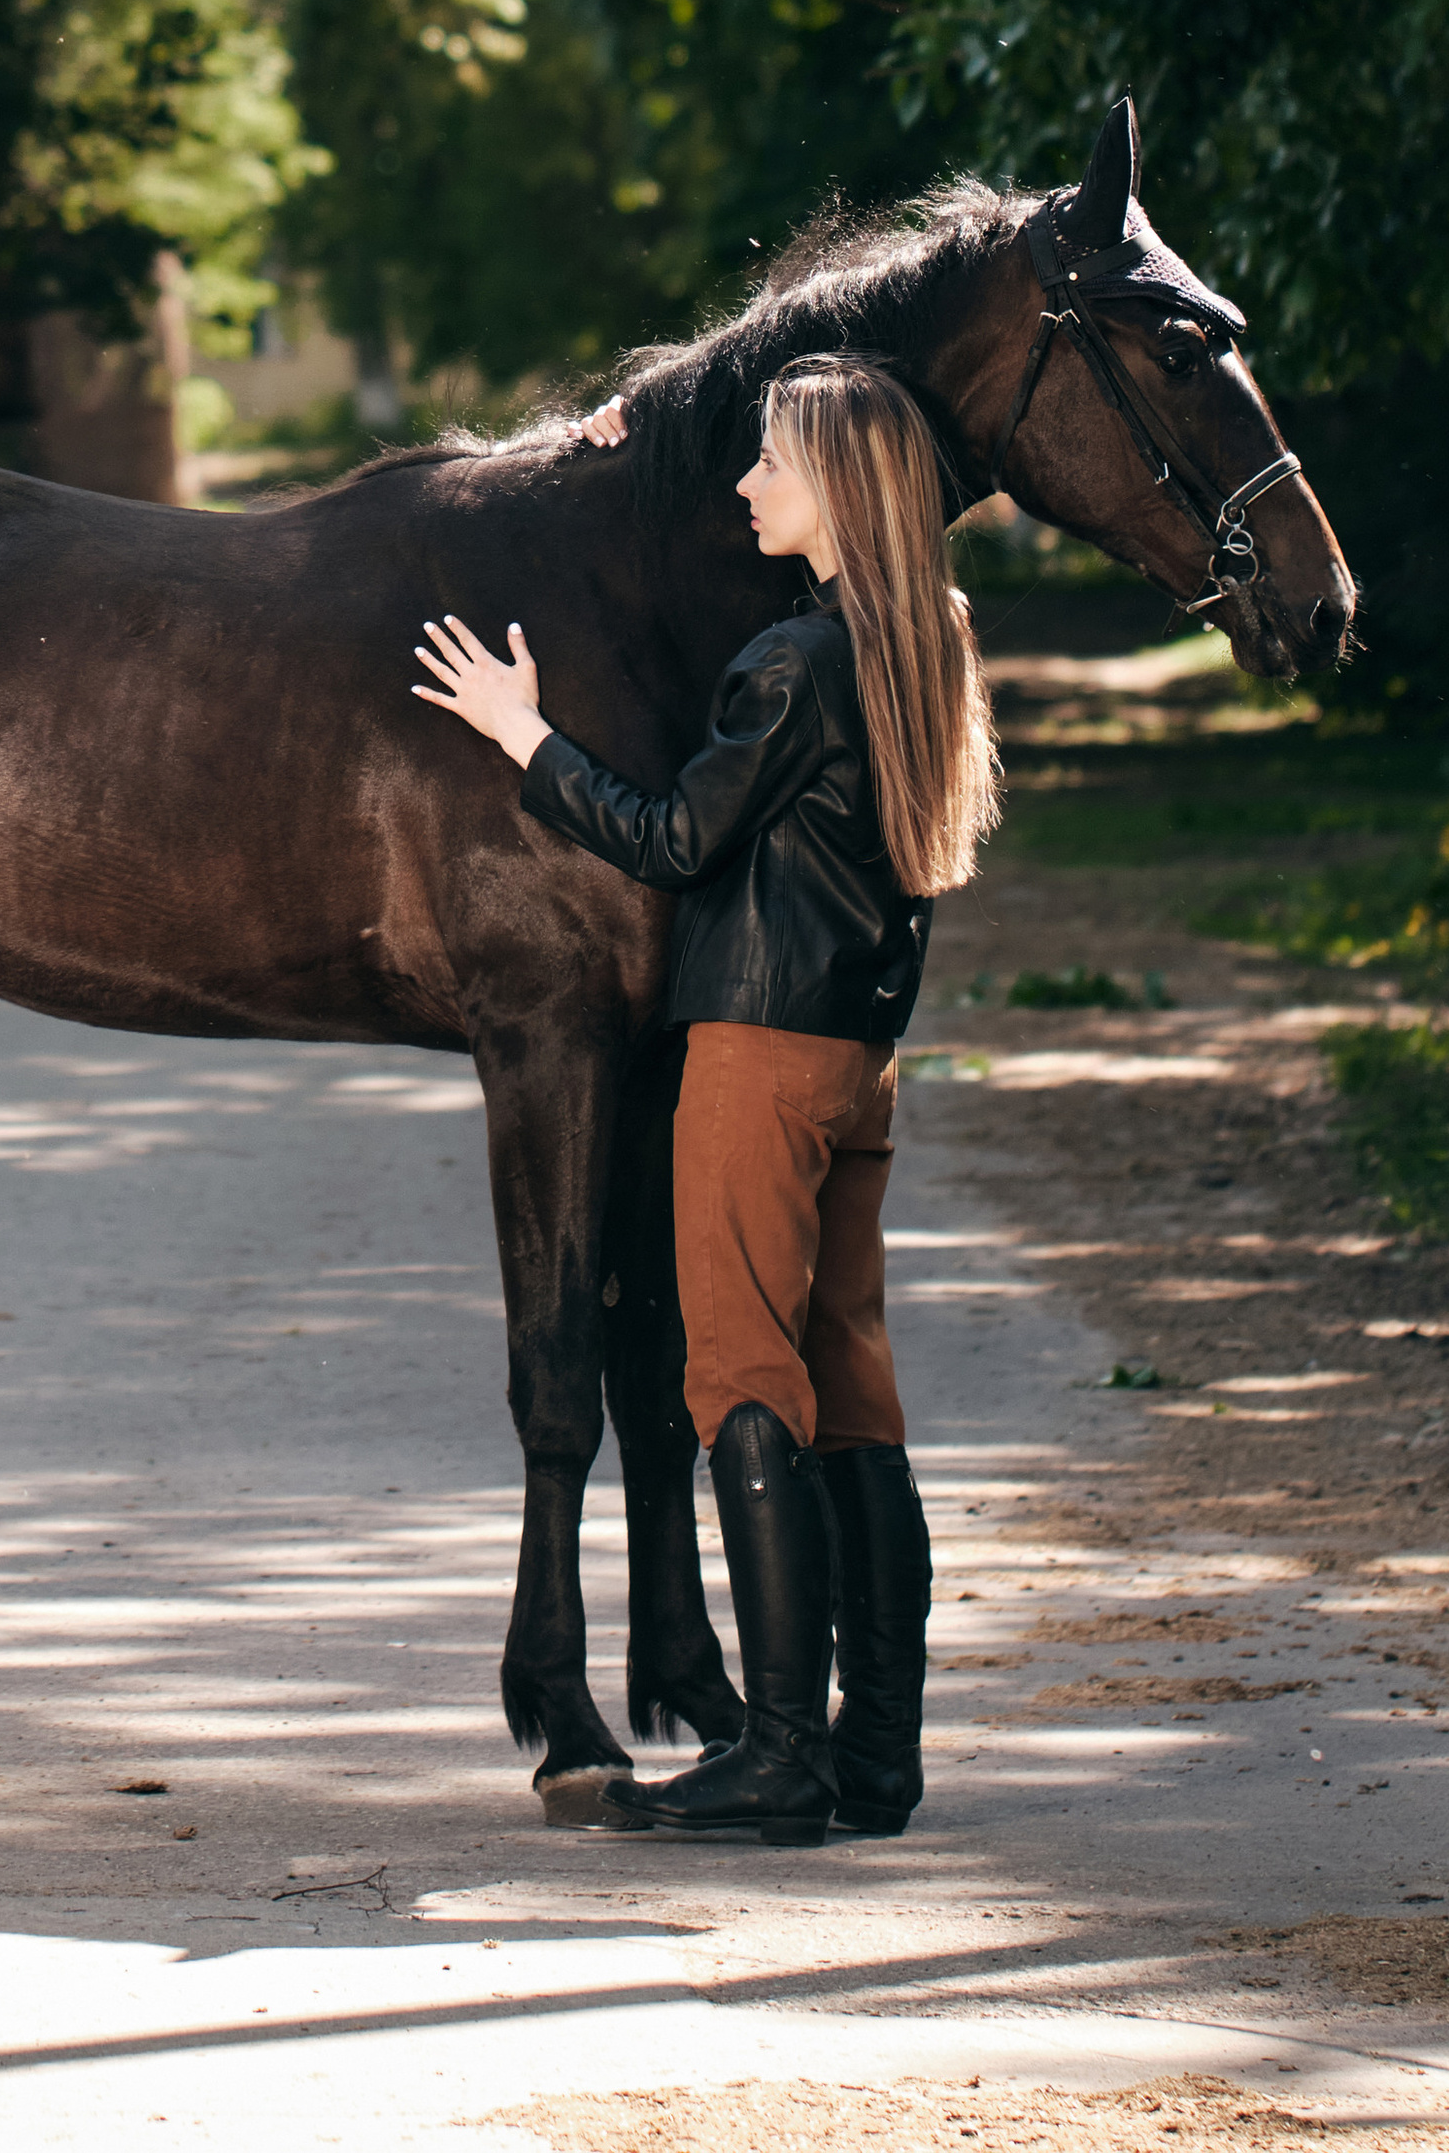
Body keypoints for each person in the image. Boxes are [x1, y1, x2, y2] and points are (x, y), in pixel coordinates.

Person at [413, 352, 996, 1847]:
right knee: (855, 1397)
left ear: (840, 491)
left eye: (776, 467)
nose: (748, 488)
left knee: (738, 1375)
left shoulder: (793, 663)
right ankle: (876, 1755)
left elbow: (673, 837)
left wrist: (523, 736)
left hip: (754, 1053)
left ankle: (781, 1753)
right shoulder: (929, 635)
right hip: (852, 1059)